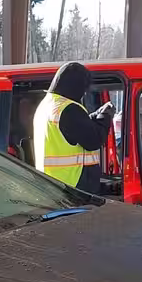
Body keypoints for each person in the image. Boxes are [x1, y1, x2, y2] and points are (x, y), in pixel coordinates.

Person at [39, 61, 114, 193]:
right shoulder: (69, 109)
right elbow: (94, 140)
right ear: (75, 86)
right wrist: (106, 117)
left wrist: (96, 114)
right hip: (73, 185)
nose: (84, 93)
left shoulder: (49, 105)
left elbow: (75, 129)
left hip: (54, 184)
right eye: (83, 88)